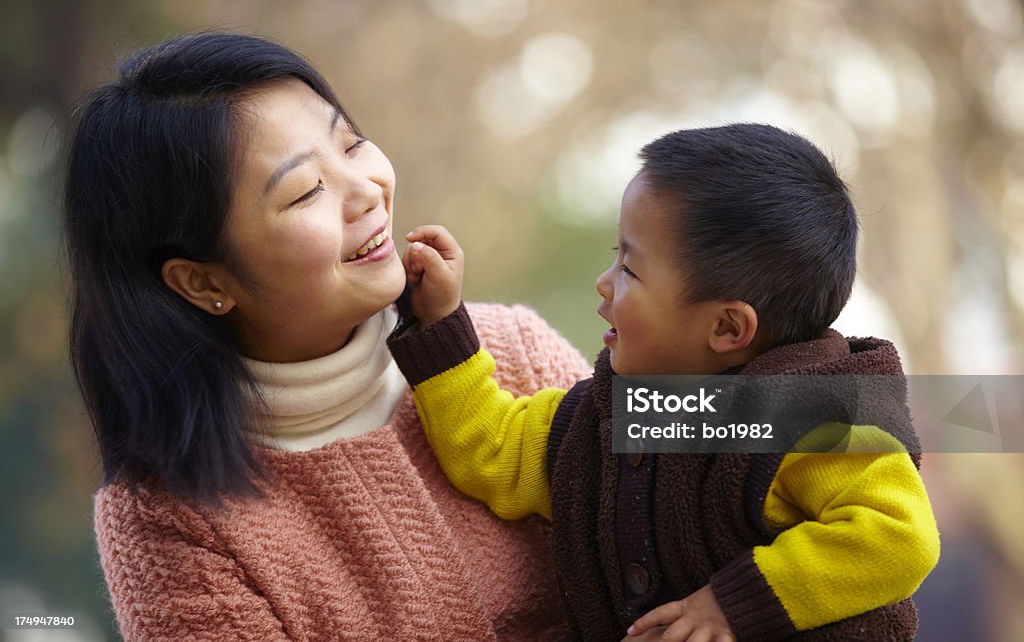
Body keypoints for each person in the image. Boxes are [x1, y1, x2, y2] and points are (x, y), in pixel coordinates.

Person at [61, 32, 591, 640]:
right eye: (306, 189)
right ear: (202, 280)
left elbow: (718, 430)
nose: (367, 192)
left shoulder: (510, 347)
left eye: (353, 143)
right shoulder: (170, 521)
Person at [387, 124, 941, 641]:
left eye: (630, 269)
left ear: (727, 327)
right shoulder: (597, 426)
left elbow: (898, 536)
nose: (604, 283)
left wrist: (730, 606)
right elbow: (493, 448)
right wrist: (441, 325)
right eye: (614, 257)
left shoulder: (813, 417)